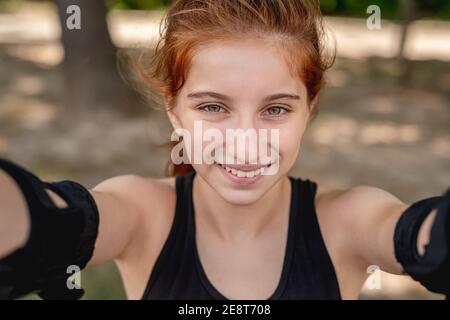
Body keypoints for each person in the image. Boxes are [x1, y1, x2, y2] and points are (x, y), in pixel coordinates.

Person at [0, 0, 449, 300]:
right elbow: (51, 221)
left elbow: (423, 236)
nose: (245, 139)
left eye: (275, 109)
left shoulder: (348, 219)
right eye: (214, 107)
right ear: (174, 111)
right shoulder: (142, 213)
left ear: (309, 108)